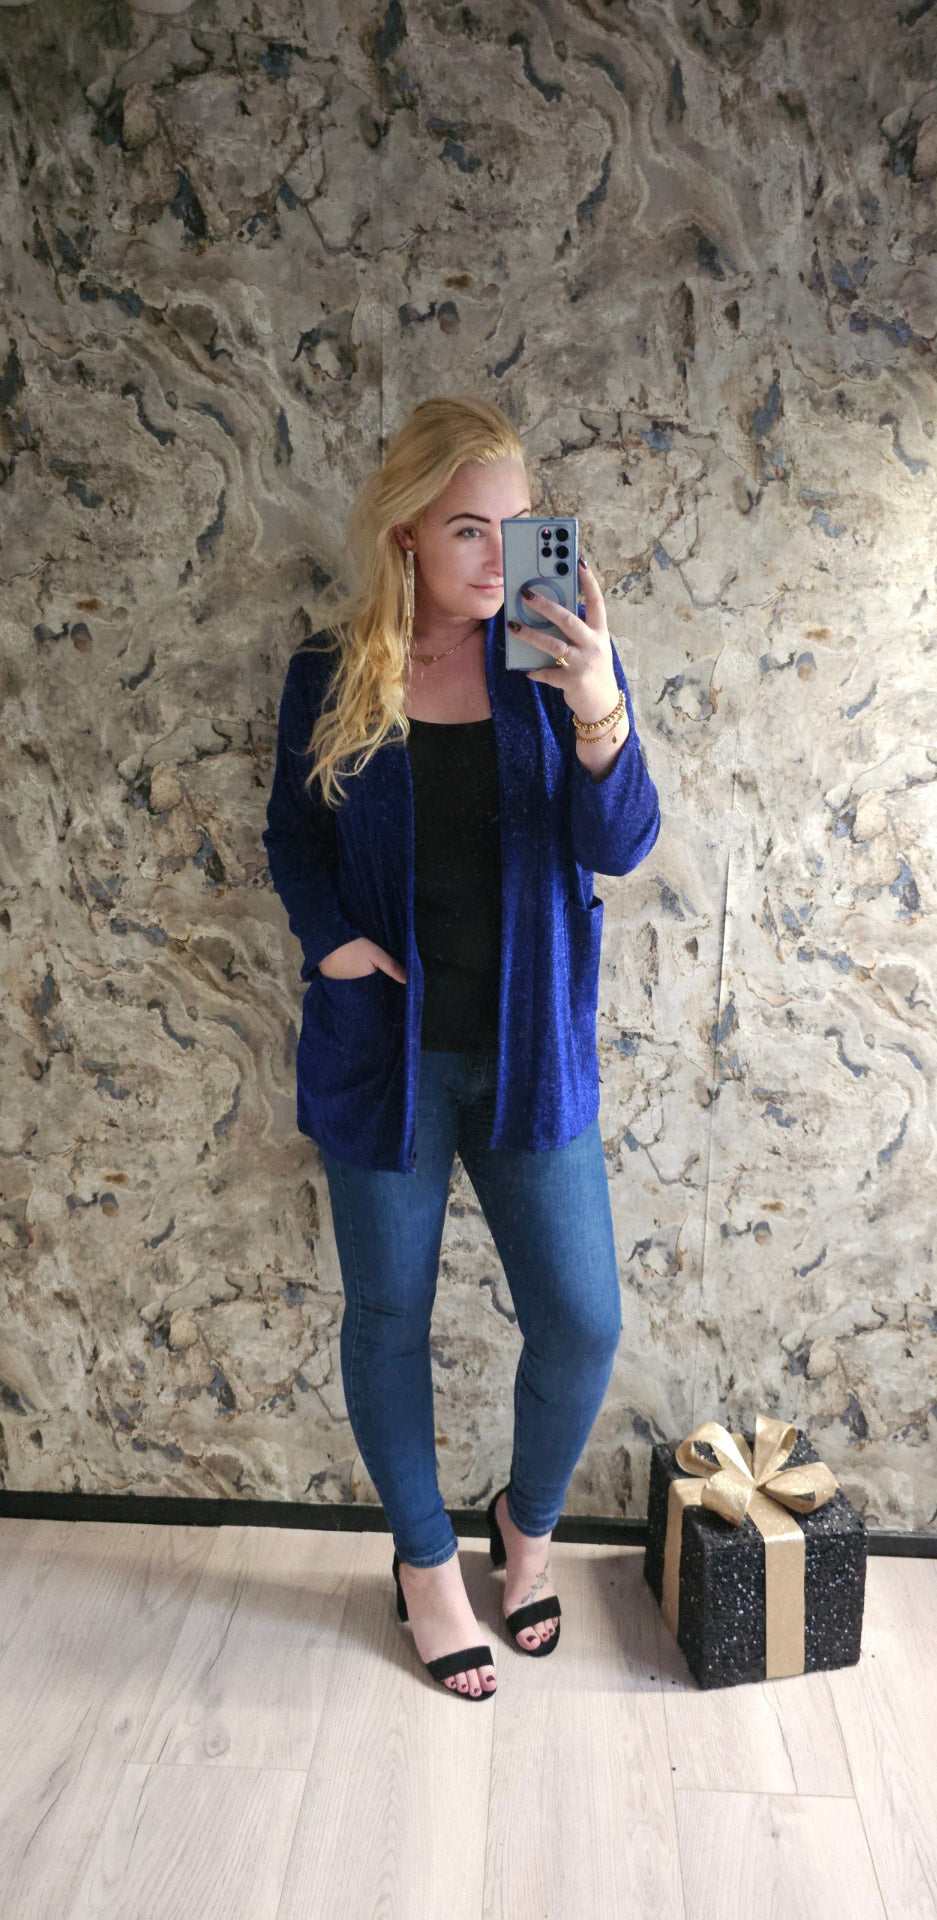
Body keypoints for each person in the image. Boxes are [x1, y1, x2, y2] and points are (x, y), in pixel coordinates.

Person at [262, 395, 661, 1702]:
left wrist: (598, 702)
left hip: (529, 1051)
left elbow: (622, 844)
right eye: (468, 530)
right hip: (386, 1053)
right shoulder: (332, 673)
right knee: (388, 1315)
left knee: (582, 1321)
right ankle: (427, 1565)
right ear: (407, 535)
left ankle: (524, 1533)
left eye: (517, 525)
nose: (499, 556)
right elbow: (293, 835)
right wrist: (331, 942)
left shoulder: (553, 665)